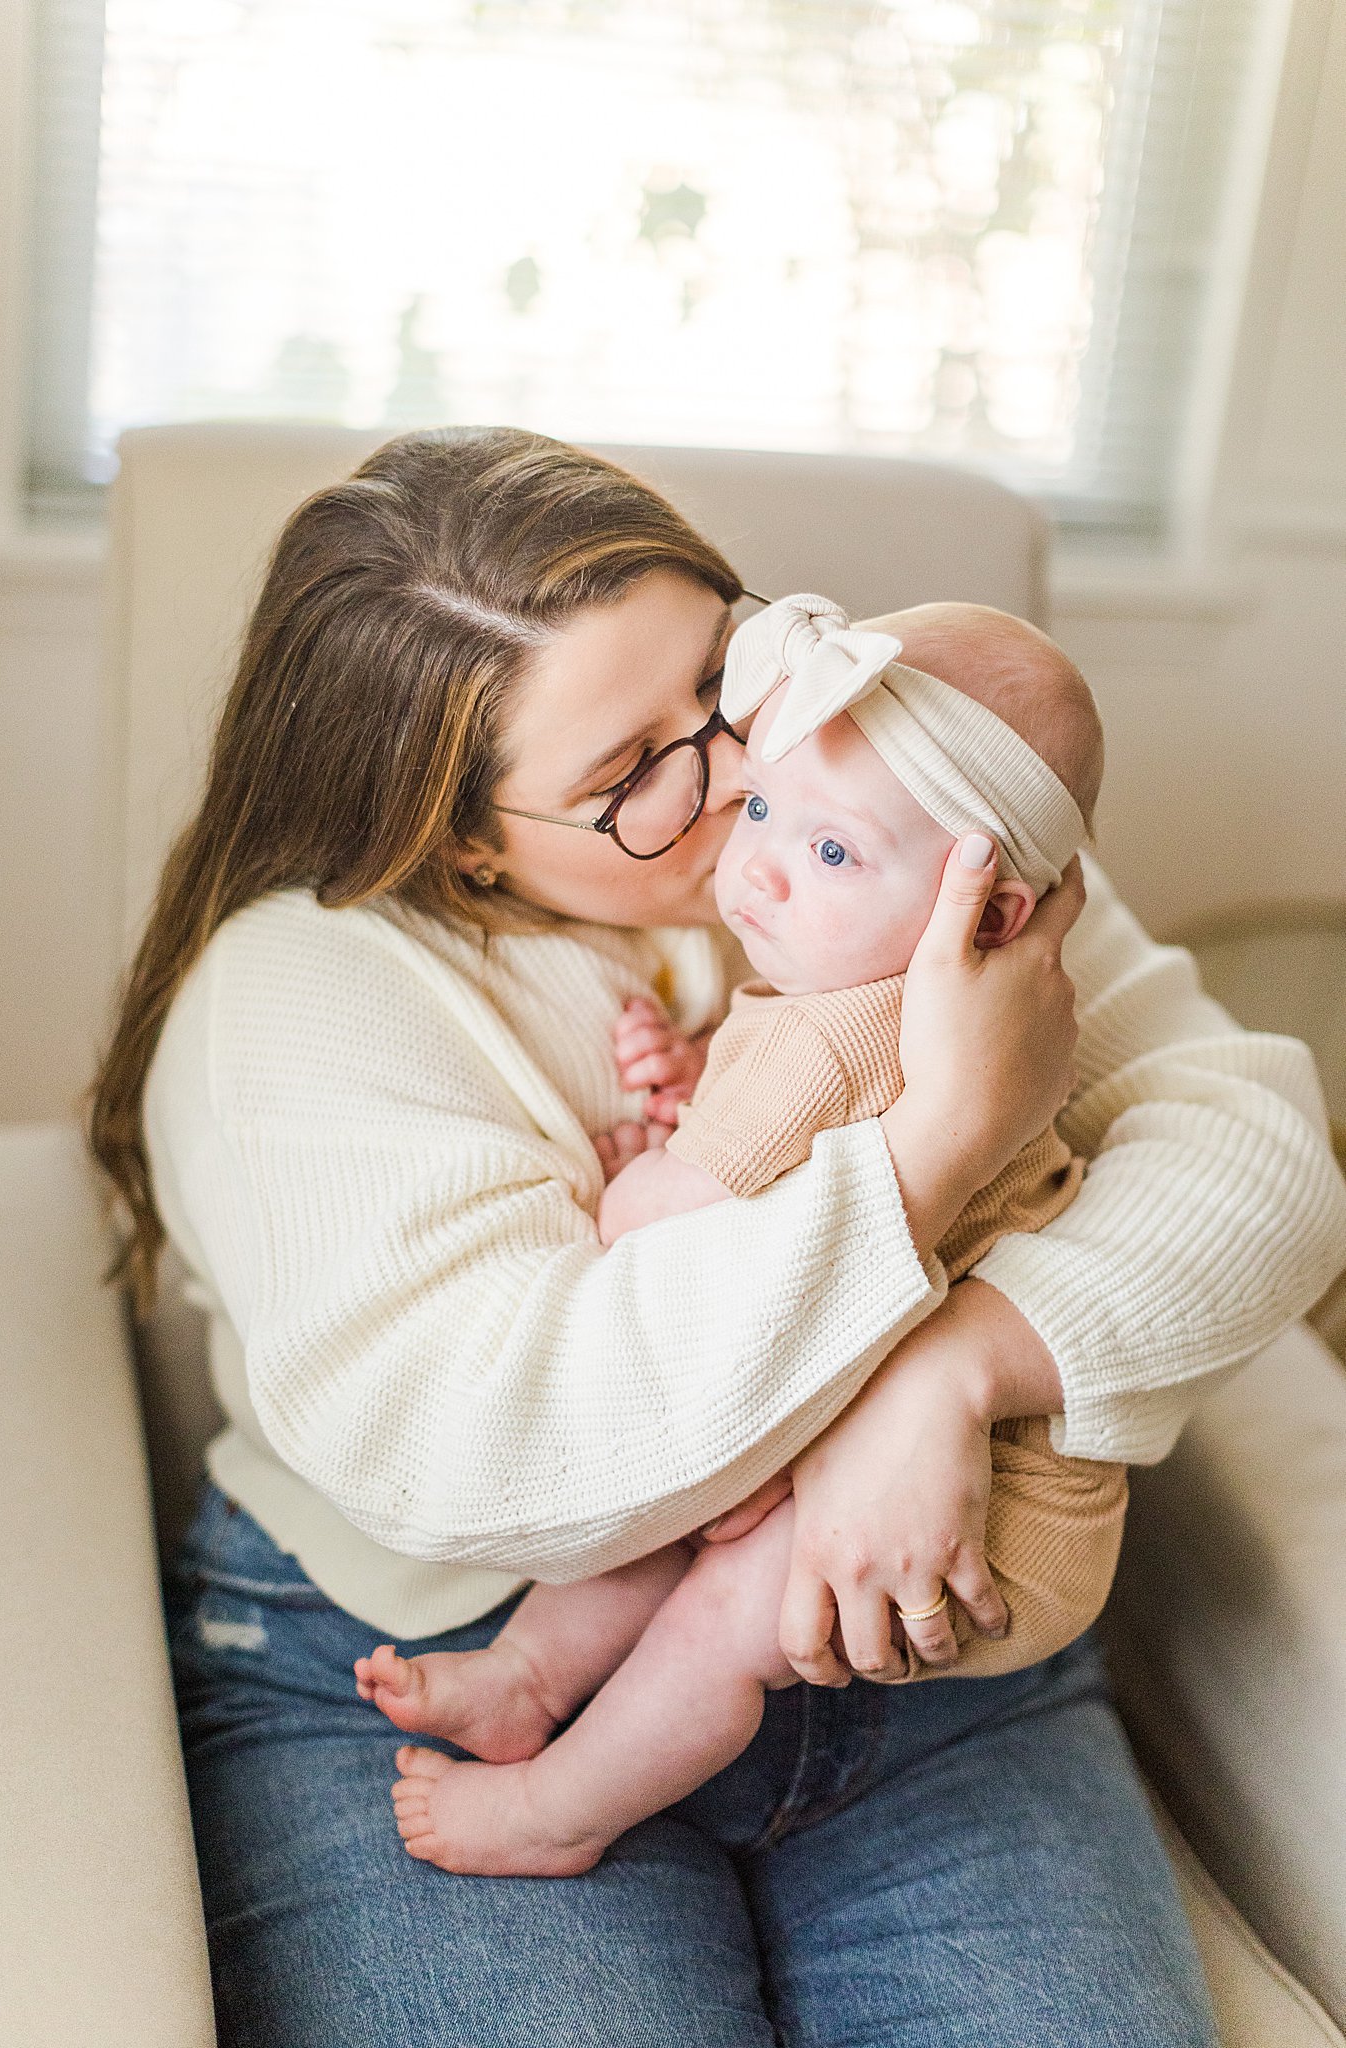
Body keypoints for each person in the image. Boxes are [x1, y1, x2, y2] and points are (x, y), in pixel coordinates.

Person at [88, 426, 1346, 2048]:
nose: (749, 772)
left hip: (910, 1634)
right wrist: (945, 1139)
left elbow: (1261, 1161)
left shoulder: (879, 800)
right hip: (444, 1653)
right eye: (634, 775)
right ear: (462, 835)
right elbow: (517, 1449)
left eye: (725, 677)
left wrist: (956, 1369)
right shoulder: (301, 1002)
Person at [356, 595, 1131, 1879]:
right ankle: (523, 1675)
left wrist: (642, 1174)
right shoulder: (876, 992)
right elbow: (798, 1145)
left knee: (718, 1608)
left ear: (988, 910)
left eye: (833, 854)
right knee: (672, 1499)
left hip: (996, 1506)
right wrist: (701, 1087)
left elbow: (662, 1224)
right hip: (903, 1409)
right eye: (764, 807)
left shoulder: (835, 1031)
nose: (753, 860)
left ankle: (562, 1806)